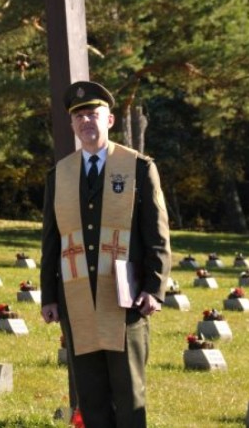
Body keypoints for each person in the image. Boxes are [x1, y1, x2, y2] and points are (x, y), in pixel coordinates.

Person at [39, 81, 171, 427]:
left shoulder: (139, 167)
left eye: (93, 115)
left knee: (129, 397)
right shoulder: (59, 175)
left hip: (126, 301)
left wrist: (154, 289)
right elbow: (51, 240)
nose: (86, 122)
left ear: (109, 120)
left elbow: (156, 235)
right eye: (79, 117)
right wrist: (49, 297)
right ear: (72, 125)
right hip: (78, 300)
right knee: (90, 397)